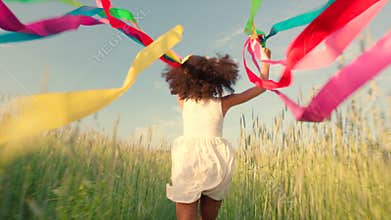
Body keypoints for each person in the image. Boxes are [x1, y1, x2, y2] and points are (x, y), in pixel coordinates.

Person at [162, 48, 271, 220]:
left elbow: (262, 88)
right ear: (216, 77)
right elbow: (261, 87)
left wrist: (266, 60)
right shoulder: (222, 103)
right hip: (216, 162)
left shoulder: (183, 99)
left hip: (189, 162)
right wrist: (265, 61)